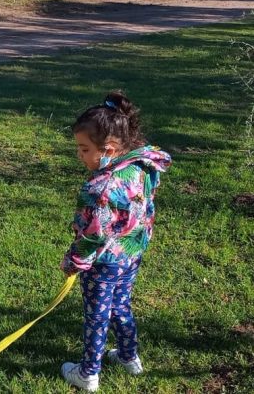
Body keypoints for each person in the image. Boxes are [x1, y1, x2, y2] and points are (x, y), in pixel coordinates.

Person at [60, 91, 171, 392]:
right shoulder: (141, 166)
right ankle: (128, 356)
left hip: (104, 262)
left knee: (97, 315)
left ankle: (88, 373)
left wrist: (74, 261)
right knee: (121, 305)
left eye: (84, 149)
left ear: (108, 149)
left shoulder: (99, 188)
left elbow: (94, 234)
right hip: (131, 254)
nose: (79, 155)